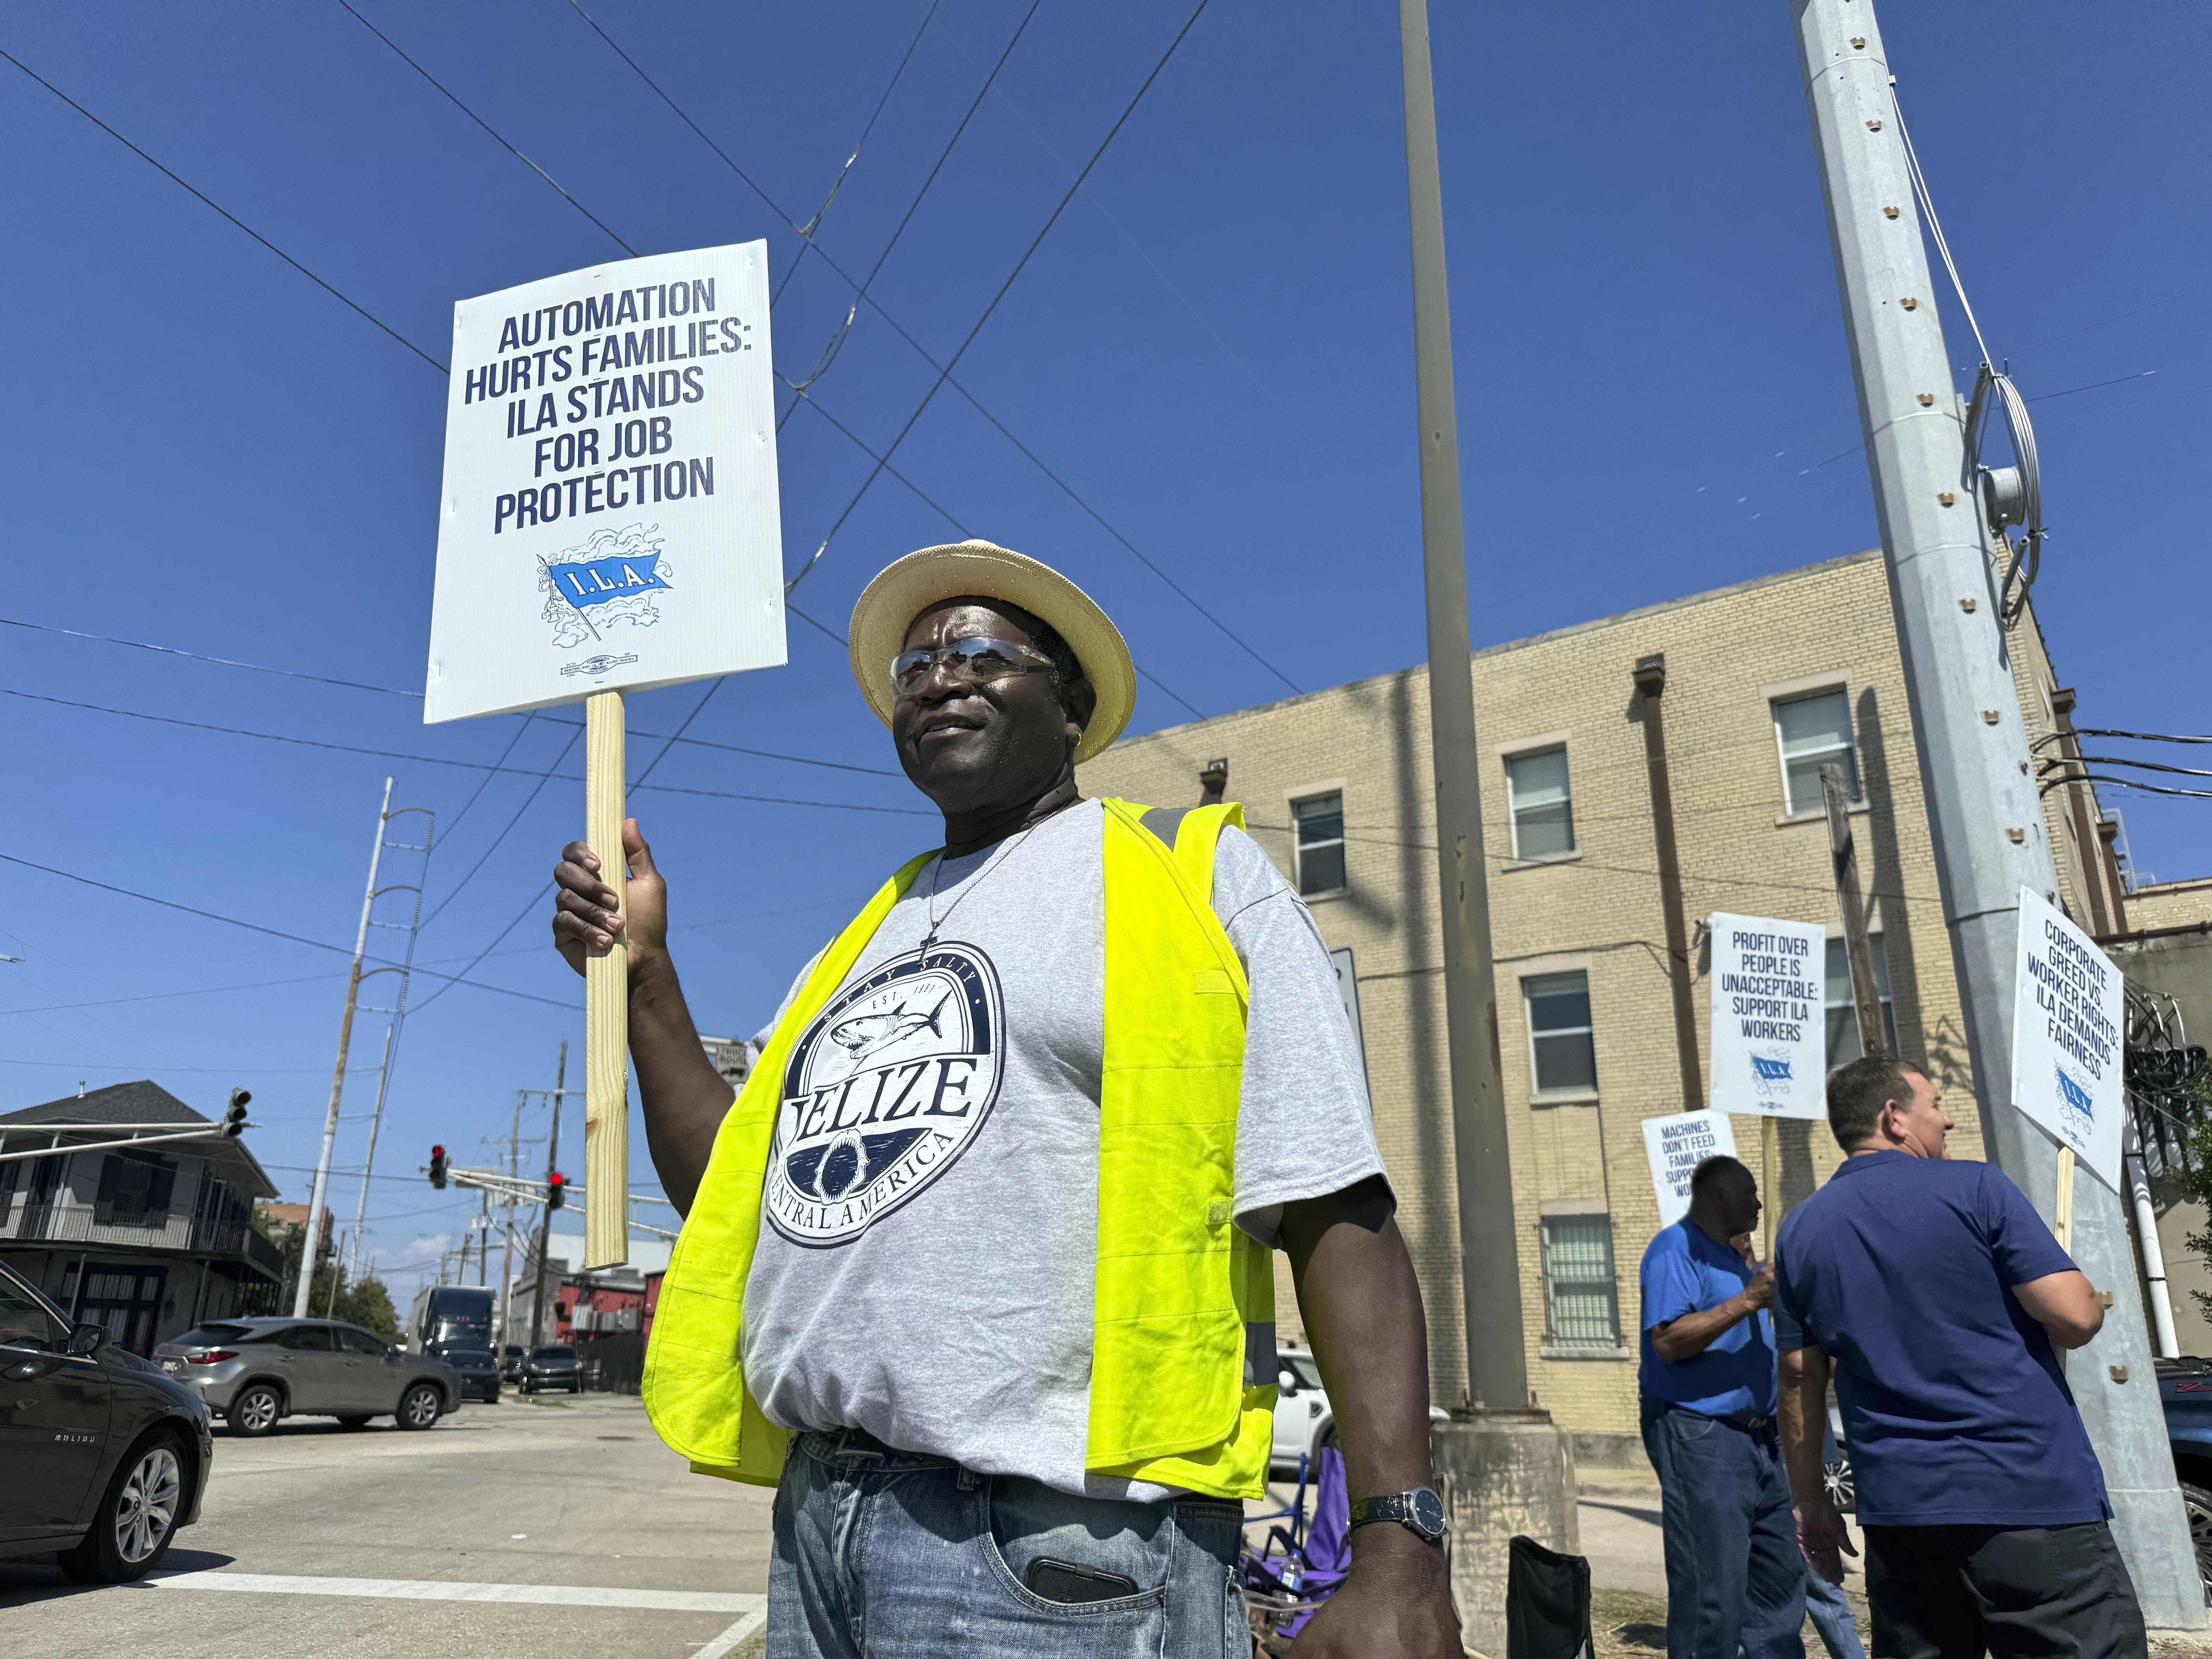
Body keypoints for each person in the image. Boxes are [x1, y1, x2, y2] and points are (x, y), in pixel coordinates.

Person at [549, 540, 1462, 1658]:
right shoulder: (852, 947)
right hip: (822, 1522)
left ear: (1071, 703)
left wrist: (1399, 1548)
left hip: (1063, 1552)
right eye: (915, 666)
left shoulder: (1189, 877)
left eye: (981, 651)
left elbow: (1334, 1202)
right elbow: (735, 1204)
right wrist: (646, 973)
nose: (938, 675)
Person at [1776, 1054, 2146, 1659]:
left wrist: (1809, 1503)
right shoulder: (1977, 1188)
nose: (1948, 1121)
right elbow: (2076, 1318)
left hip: (1902, 1515)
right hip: (2026, 1497)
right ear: (1894, 1117)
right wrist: (2085, 1294)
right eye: (1937, 1104)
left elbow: (1798, 1378)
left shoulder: (1800, 1231)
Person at [1637, 1155, 1806, 1659]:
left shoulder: (1734, 1259)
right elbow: (1668, 1341)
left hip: (1761, 1439)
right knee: (1711, 1588)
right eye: (1750, 1193)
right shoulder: (1676, 1249)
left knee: (1779, 1579)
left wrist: (1756, 1280)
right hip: (1703, 1431)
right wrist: (1748, 1300)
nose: (1759, 1202)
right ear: (1718, 1198)